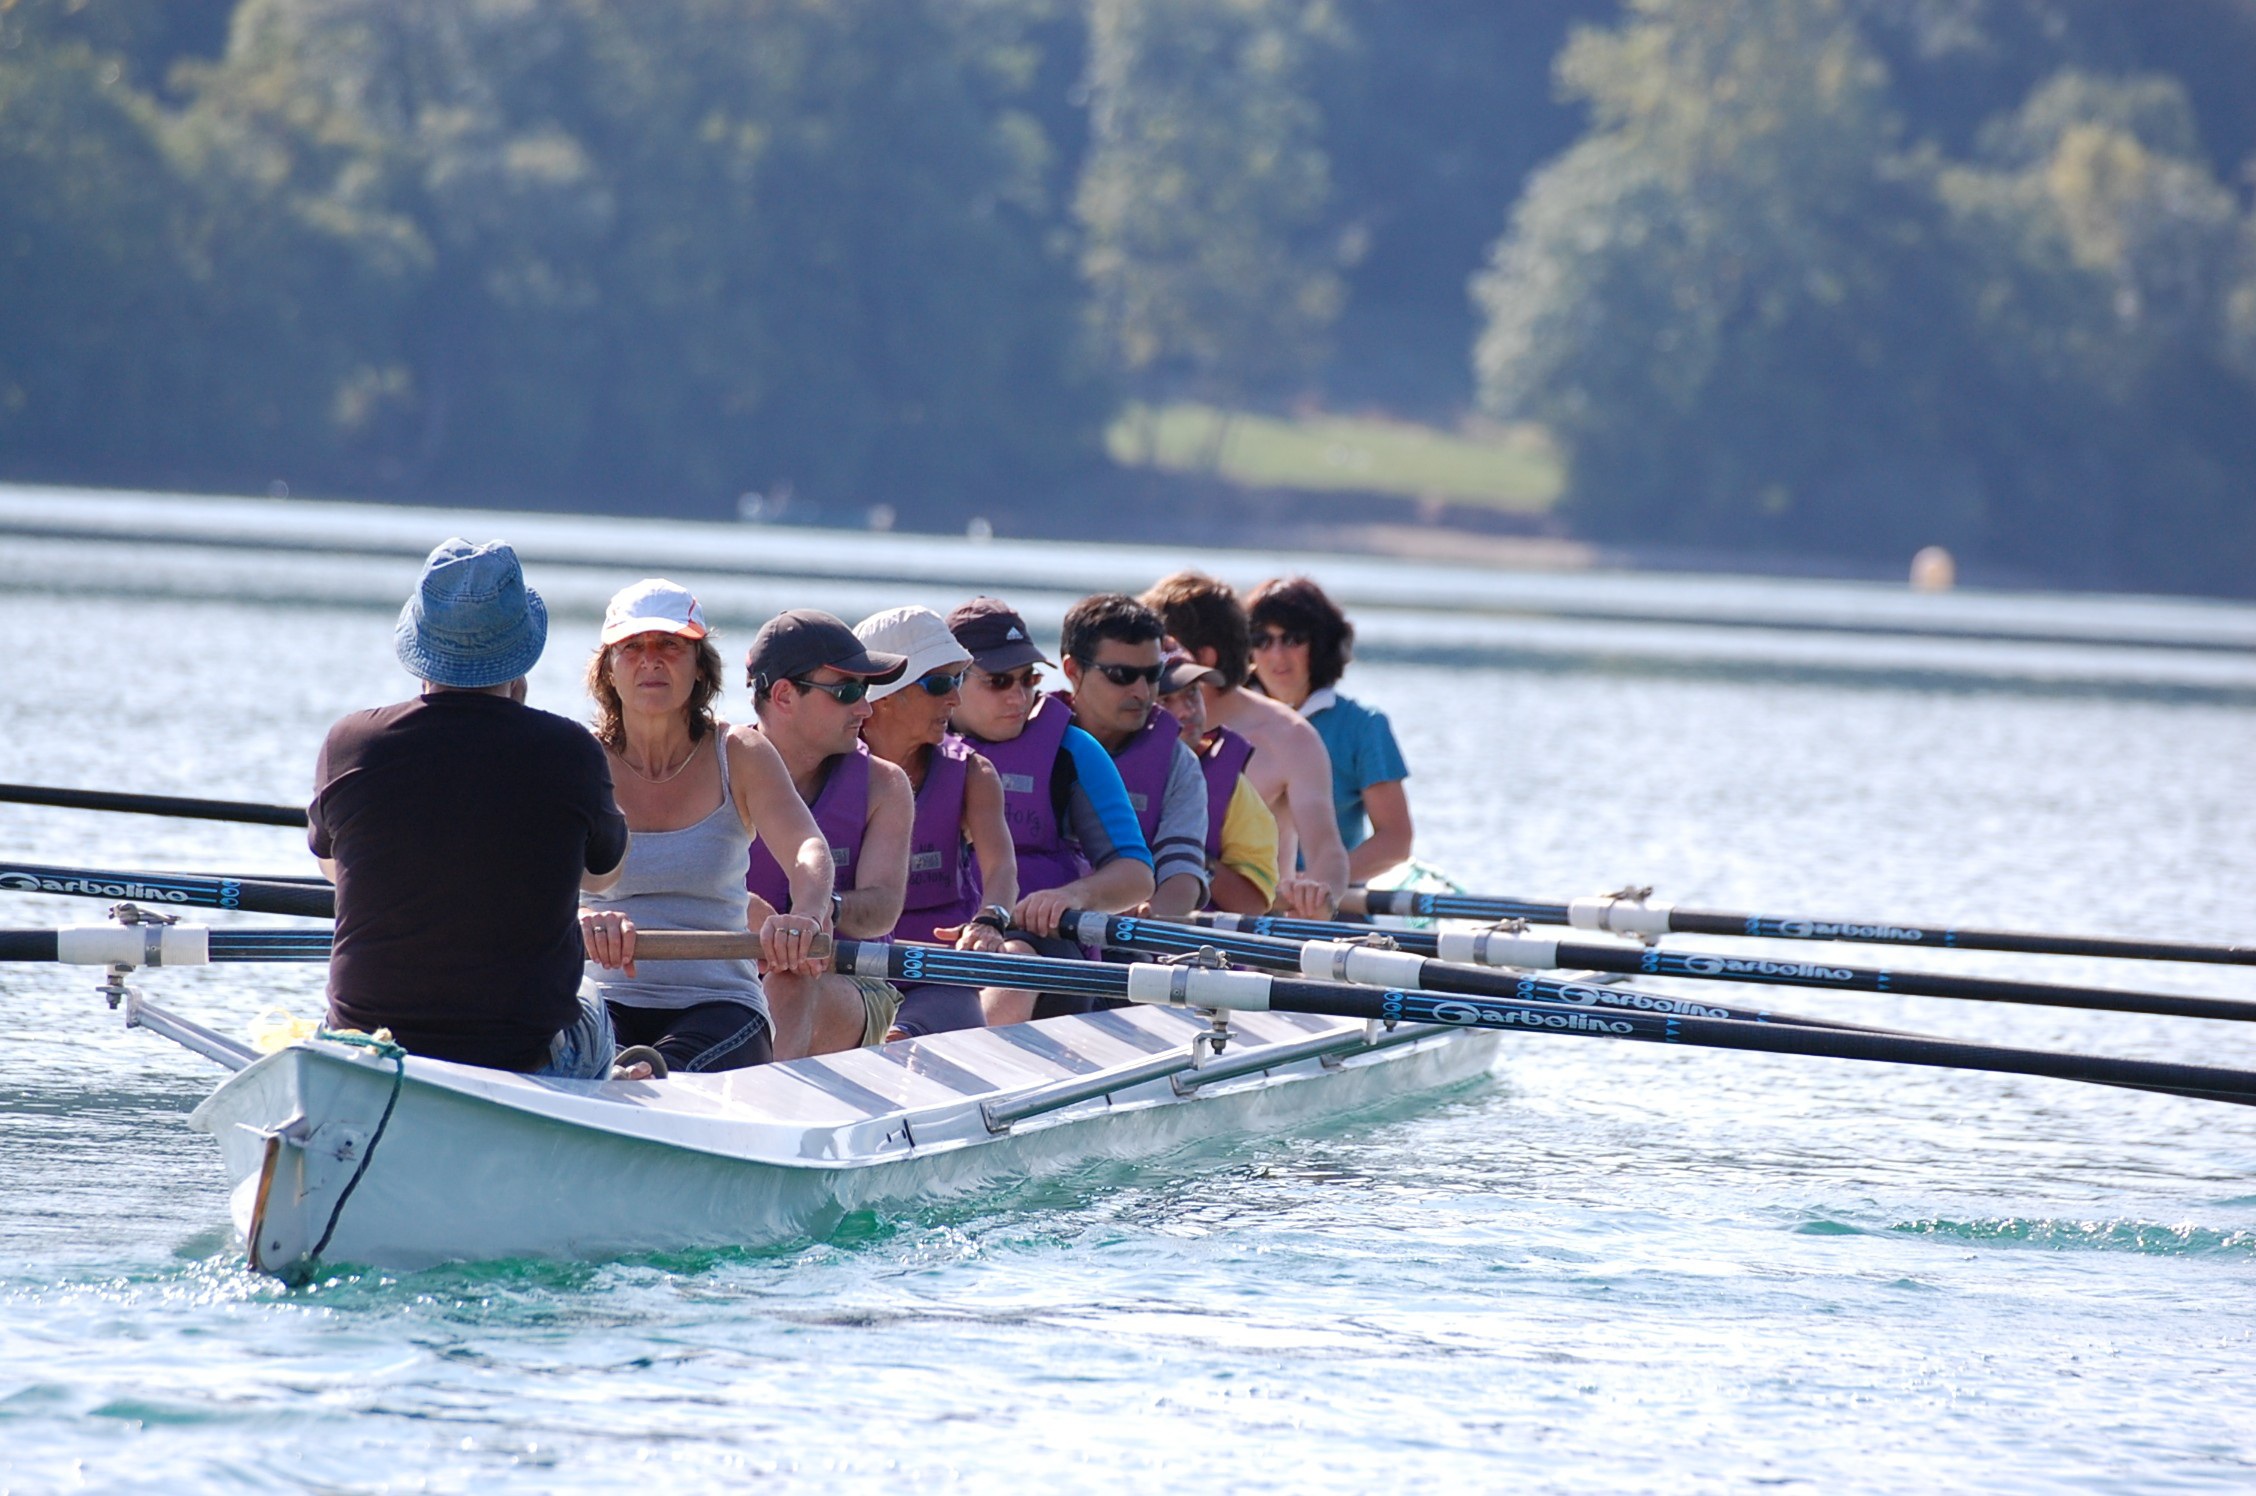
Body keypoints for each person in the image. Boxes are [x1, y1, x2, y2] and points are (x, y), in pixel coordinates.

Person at [310, 538, 630, 1079]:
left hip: (366, 1042)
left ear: (420, 647)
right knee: (594, 997)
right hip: (521, 1055)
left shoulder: (350, 742)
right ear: (522, 655)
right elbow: (603, 877)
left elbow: (337, 872)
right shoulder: (572, 751)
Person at [576, 581, 839, 1074]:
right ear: (609, 669)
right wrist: (580, 916)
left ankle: (635, 1085)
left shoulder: (739, 753)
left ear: (699, 668)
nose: (651, 660)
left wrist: (804, 913)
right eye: (632, 647)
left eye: (670, 646)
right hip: (600, 997)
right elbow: (528, 879)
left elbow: (807, 846)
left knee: (647, 1074)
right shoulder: (577, 760)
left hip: (718, 1004)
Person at [945, 596, 1154, 1021]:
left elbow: (1136, 874)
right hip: (938, 938)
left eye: (1028, 679)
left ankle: (949, 1060)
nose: (1018, 697)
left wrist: (1071, 895)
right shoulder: (913, 749)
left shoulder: (1073, 752)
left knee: (1016, 959)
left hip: (1043, 943)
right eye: (999, 681)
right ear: (952, 681)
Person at [743, 608, 916, 1057]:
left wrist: (818, 913)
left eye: (866, 690)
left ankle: (760, 1115)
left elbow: (882, 908)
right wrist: (736, 909)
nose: (866, 707)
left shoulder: (885, 785)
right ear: (783, 696)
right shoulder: (712, 769)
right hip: (723, 970)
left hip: (847, 979)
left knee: (790, 981)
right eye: (847, 691)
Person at [854, 605, 1024, 1037]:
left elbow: (1001, 867)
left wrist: (990, 920)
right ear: (884, 694)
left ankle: (897, 1038)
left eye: (959, 681)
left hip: (938, 967)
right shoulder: (820, 768)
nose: (955, 698)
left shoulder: (973, 774)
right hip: (844, 961)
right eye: (939, 683)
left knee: (941, 1018)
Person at [1140, 571, 1347, 917]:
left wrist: (1319, 897)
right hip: (1147, 916)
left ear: (1202, 658)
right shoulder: (1132, 723)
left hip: (1251, 930)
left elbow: (1326, 850)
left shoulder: (1291, 738)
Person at [1246, 576, 1414, 883]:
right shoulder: (1227, 718)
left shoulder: (1364, 727)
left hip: (1328, 905)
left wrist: (1315, 883)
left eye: (1293, 639)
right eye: (1262, 640)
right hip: (1236, 899)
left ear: (1321, 644)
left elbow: (1395, 839)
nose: (1277, 655)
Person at [1055, 594, 1209, 917]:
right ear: (1073, 670)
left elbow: (1182, 879)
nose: (1142, 693)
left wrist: (1145, 918)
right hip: (1035, 930)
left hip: (1129, 943)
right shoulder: (1028, 738)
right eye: (1121, 676)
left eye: (1152, 675)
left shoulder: (1178, 763)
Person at [1155, 649, 1279, 916]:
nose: (1186, 711)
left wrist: (1186, 857)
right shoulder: (1097, 762)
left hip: (1200, 951)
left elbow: (1252, 905)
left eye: (1192, 694)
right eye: (1165, 700)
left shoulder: (1232, 786)